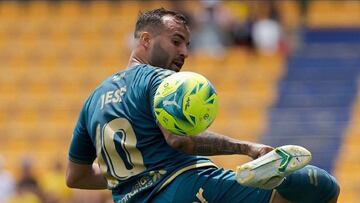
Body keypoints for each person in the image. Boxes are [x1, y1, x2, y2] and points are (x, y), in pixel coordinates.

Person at [66, 8, 340, 203]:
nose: (184, 51)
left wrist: (130, 175)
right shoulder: (158, 79)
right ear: (146, 40)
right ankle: (277, 176)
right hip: (186, 186)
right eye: (176, 41)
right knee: (320, 185)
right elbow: (179, 140)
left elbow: (76, 176)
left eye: (187, 44)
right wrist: (246, 147)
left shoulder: (92, 101)